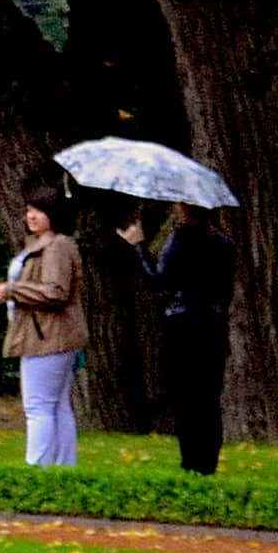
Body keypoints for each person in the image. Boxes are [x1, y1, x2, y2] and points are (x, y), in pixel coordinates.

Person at [117, 201, 236, 476]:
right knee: (208, 399)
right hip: (213, 328)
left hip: (183, 328)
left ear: (185, 210)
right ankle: (208, 462)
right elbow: (225, 291)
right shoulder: (224, 244)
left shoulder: (180, 241)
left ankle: (191, 461)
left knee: (185, 398)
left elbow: (158, 281)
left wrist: (138, 246)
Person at [0, 186, 87, 466]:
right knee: (57, 405)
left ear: (53, 215)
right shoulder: (40, 244)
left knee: (39, 406)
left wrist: (13, 290)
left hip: (47, 336)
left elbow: (56, 291)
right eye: (30, 209)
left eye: (39, 210)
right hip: (48, 334)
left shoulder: (57, 247)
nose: (31, 215)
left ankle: (38, 466)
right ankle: (62, 466)